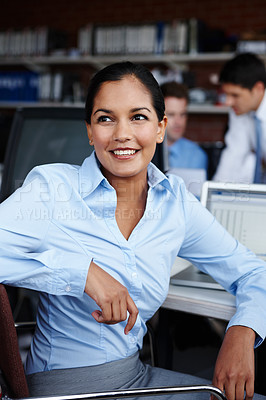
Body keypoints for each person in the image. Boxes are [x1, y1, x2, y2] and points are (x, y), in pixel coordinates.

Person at [0, 61, 266, 400]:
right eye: (105, 118)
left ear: (160, 128)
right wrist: (81, 273)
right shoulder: (53, 188)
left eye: (138, 117)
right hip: (65, 390)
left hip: (135, 377)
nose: (122, 133)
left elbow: (253, 271)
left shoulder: (175, 203)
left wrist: (242, 332)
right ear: (89, 130)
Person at [213, 52, 266, 183]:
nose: (228, 102)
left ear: (258, 88)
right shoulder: (239, 111)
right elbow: (234, 155)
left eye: (235, 95)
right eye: (226, 94)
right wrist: (214, 195)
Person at [160, 81, 208, 173]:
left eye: (182, 114)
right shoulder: (143, 151)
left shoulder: (196, 155)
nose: (178, 122)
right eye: (171, 114)